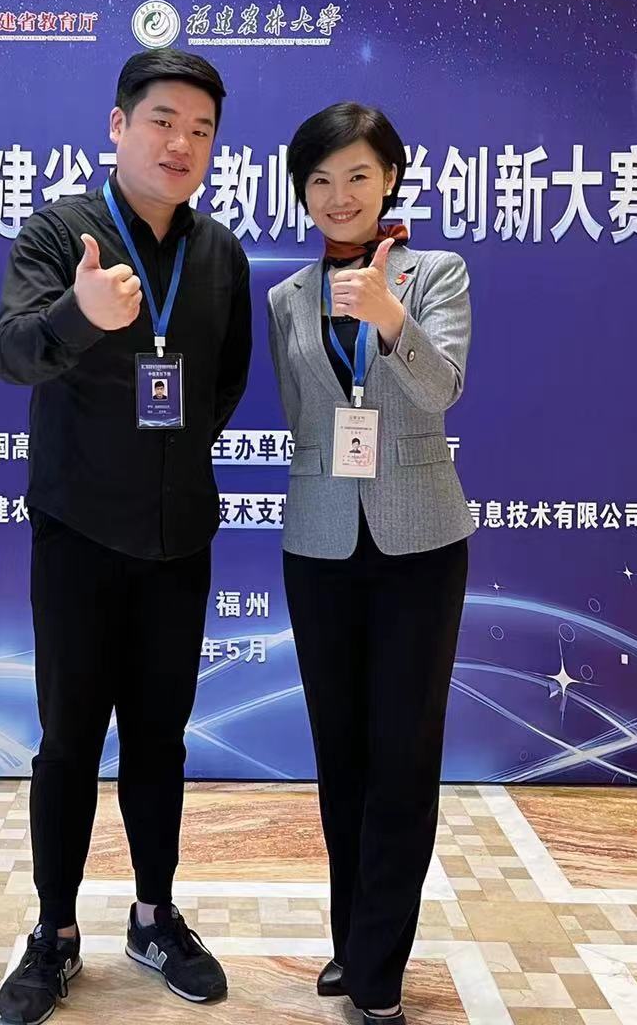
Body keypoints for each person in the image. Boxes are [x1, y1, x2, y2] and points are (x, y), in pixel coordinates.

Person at [0, 49, 251, 1022]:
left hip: (178, 540)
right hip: (78, 537)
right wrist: (81, 314)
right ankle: (54, 932)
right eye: (162, 121)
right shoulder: (61, 233)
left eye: (201, 130)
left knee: (159, 740)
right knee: (67, 742)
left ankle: (153, 915)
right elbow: (10, 351)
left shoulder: (219, 254)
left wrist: (167, 462)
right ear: (117, 125)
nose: (181, 144)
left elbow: (222, 383)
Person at [266, 102, 475, 1025]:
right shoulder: (286, 297)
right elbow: (303, 420)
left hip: (420, 542)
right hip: (318, 541)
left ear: (389, 177)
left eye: (357, 175)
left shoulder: (437, 274)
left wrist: (391, 320)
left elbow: (441, 390)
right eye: (319, 180)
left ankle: (380, 963)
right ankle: (352, 941)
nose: (339, 195)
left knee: (404, 751)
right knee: (340, 753)